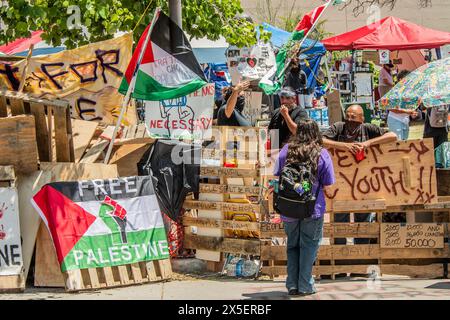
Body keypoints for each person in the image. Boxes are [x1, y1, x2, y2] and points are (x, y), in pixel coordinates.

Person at [274, 119, 335, 296]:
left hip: (288, 207)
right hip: (312, 208)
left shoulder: (286, 151)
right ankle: (305, 285)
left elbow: (278, 176)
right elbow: (328, 185)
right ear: (316, 133)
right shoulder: (321, 153)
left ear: (297, 132)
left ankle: (292, 285)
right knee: (309, 246)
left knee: (292, 245)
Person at [322, 104, 397, 245]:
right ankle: (340, 253)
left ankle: (362, 251)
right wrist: (344, 146)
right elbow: (320, 141)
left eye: (354, 117)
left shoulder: (368, 129)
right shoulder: (338, 127)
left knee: (363, 218)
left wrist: (368, 143)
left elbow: (393, 136)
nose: (350, 120)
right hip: (341, 184)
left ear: (362, 119)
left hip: (364, 184)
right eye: (348, 116)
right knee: (340, 218)